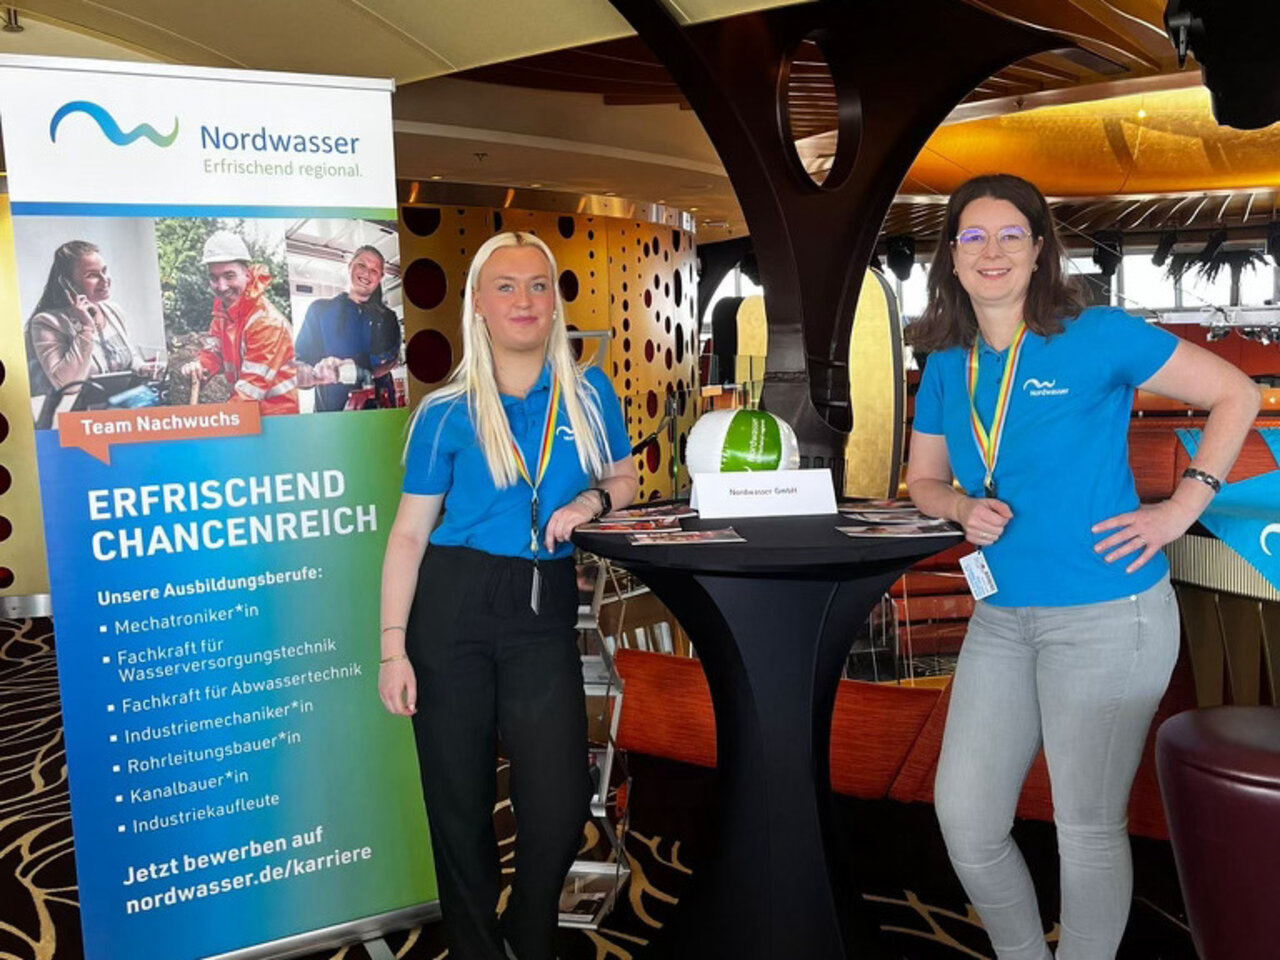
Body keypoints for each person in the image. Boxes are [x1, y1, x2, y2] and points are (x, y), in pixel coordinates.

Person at [905, 173, 1260, 960]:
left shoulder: (1094, 334)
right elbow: (922, 480)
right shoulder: (946, 365)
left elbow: (1235, 392)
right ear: (952, 258)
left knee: (1087, 827)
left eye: (1009, 236)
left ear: (1037, 251)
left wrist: (1183, 506)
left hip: (1109, 617)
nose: (990, 252)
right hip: (1002, 618)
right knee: (965, 818)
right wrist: (960, 508)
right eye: (973, 237)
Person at [377, 231, 637, 960]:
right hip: (452, 604)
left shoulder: (589, 395)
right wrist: (392, 649)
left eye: (537, 286)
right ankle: (475, 948)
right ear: (479, 307)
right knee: (458, 806)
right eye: (506, 287)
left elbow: (624, 480)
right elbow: (406, 538)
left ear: (554, 303)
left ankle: (529, 930)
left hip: (540, 604)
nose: (524, 300)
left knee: (556, 803)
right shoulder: (445, 412)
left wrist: (592, 503)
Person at [181, 230, 298, 415]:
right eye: (214, 277)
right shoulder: (223, 313)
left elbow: (249, 393)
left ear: (248, 275)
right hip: (249, 415)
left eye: (229, 276)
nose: (221, 286)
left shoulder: (267, 324)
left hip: (277, 421)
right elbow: (213, 351)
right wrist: (200, 367)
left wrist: (217, 425)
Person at [25, 240, 146, 395]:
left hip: (123, 404)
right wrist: (86, 329)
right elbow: (67, 385)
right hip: (82, 413)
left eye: (105, 270)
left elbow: (128, 357)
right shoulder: (46, 323)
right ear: (68, 284)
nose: (105, 280)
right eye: (92, 275)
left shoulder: (113, 311)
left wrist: (142, 367)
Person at [294, 245, 402, 411]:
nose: (367, 273)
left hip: (380, 415)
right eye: (362, 265)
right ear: (349, 266)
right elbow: (300, 360)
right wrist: (305, 374)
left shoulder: (387, 317)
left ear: (380, 277)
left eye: (374, 270)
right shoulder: (319, 310)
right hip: (332, 418)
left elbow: (390, 357)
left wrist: (347, 367)